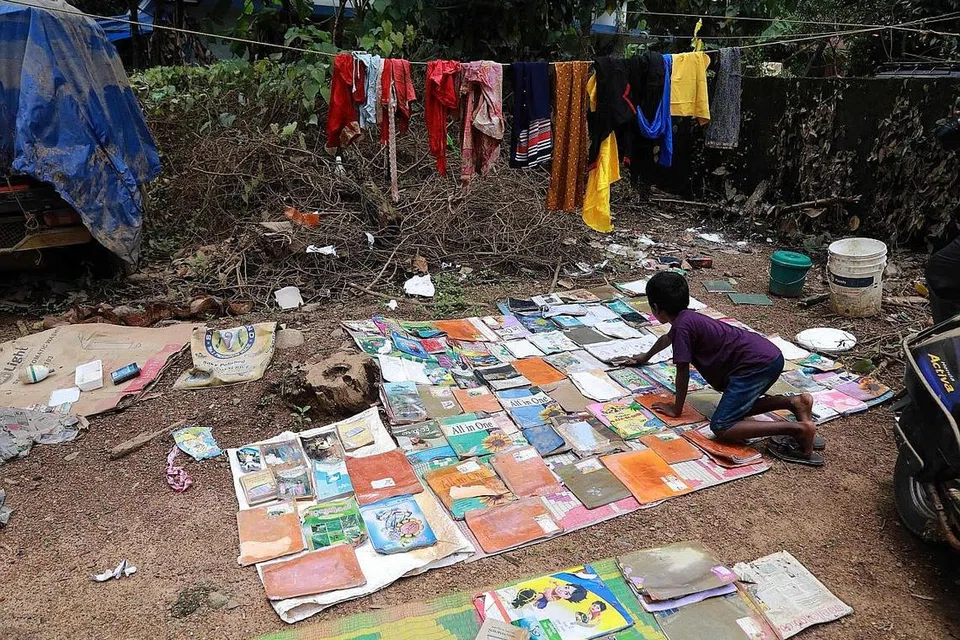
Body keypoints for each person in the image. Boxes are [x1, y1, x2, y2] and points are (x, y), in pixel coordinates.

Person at [615, 271, 823, 466]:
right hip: (767, 356)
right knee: (735, 409)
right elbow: (666, 338)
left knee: (722, 425)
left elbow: (683, 371)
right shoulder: (688, 318)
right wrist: (645, 356)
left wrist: (676, 408)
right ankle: (796, 402)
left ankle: (799, 429)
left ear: (655, 307)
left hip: (754, 366)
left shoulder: (683, 327)